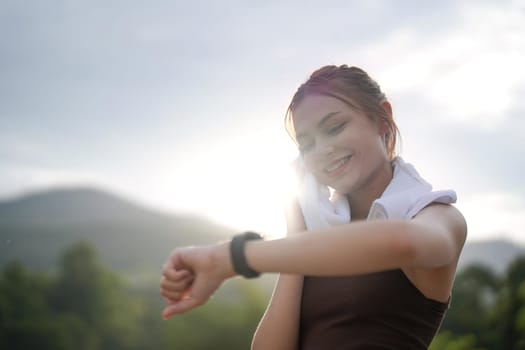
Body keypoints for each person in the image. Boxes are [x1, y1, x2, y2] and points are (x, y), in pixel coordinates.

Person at [159, 65, 467, 349]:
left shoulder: (437, 216)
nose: (322, 150)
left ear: (382, 120)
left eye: (335, 128)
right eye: (307, 144)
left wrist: (229, 258)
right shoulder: (317, 236)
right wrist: (297, 229)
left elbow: (404, 242)